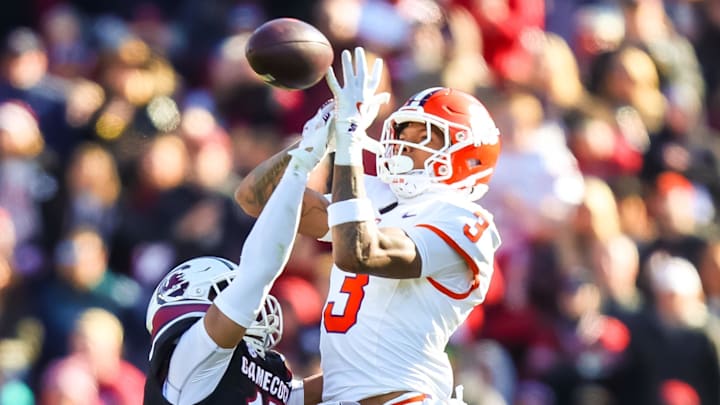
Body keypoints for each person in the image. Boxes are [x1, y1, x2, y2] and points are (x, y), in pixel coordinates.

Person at [236, 47, 503, 404]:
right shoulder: (376, 194)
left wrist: (347, 143)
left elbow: (359, 252)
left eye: (424, 135)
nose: (404, 143)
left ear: (467, 155)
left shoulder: (464, 221)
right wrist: (311, 147)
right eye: (403, 131)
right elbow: (256, 199)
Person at [142, 100, 337, 405]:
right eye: (226, 293)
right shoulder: (191, 360)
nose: (254, 308)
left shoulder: (239, 368)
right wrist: (301, 162)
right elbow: (258, 271)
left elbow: (330, 391)